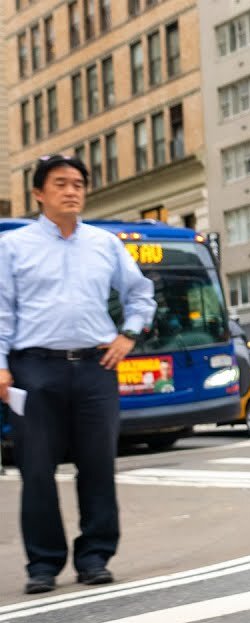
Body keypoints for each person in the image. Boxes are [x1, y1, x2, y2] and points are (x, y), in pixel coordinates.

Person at [0, 155, 156, 594]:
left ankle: (95, 557)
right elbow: (1, 312)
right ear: (38, 194)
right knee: (36, 469)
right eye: (61, 183)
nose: (72, 191)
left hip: (95, 367)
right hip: (34, 369)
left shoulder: (105, 244)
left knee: (98, 466)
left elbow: (141, 293)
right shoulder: (13, 247)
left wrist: (128, 335)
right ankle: (43, 565)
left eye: (78, 184)